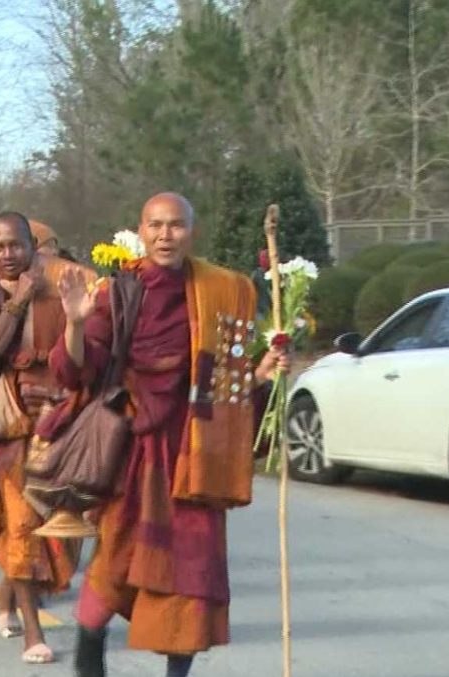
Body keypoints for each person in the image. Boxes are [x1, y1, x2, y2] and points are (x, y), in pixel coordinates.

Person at [53, 193, 289, 677]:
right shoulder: (118, 293)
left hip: (196, 451)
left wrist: (263, 373)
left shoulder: (221, 292)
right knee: (117, 556)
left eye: (176, 226)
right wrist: (75, 324)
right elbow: (77, 372)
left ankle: (178, 672)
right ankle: (89, 647)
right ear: (141, 231)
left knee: (193, 570)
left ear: (191, 232)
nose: (166, 235)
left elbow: (229, 379)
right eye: (156, 226)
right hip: (135, 452)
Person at [0, 212, 92, 664]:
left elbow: (89, 347)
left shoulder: (62, 286)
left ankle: (7, 598)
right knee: (22, 524)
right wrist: (18, 301)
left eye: (17, 246)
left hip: (62, 422)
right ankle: (33, 633)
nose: (9, 255)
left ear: (34, 249)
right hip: (7, 429)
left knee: (62, 530)